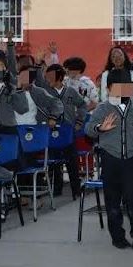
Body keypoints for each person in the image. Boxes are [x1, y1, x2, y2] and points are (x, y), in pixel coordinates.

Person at [86, 70, 133, 250]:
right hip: (110, 159)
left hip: (131, 158)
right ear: (108, 89)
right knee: (112, 201)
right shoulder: (103, 108)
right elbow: (88, 129)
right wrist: (100, 128)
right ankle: (117, 236)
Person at [43, 64, 87, 198]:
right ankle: (56, 189)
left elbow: (82, 105)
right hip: (52, 131)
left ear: (60, 77)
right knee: (54, 161)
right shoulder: (46, 92)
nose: (48, 79)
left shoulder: (71, 92)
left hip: (68, 131)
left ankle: (76, 190)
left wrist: (79, 121)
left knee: (72, 161)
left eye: (51, 76)